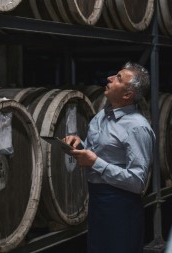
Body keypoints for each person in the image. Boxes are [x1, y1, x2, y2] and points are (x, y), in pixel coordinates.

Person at [64, 62, 155, 253]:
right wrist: (79, 145)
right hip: (97, 203)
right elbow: (95, 151)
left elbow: (138, 181)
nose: (110, 78)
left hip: (122, 207)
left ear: (127, 95)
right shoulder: (101, 117)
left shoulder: (137, 127)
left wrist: (95, 163)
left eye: (118, 78)